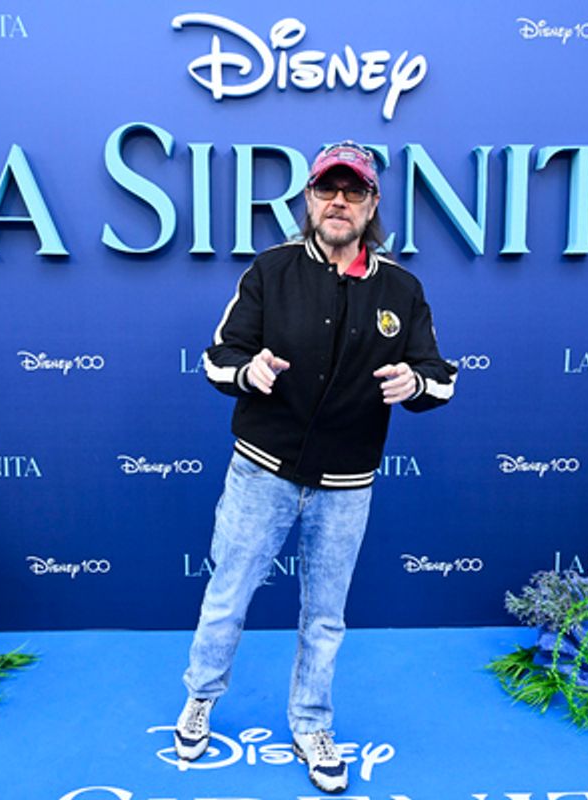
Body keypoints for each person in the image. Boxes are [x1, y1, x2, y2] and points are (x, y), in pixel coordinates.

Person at [174, 140, 456, 794]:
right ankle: (200, 700)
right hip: (262, 473)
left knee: (325, 616)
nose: (338, 201)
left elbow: (440, 379)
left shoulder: (402, 289)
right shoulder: (270, 271)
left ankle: (311, 723)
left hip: (346, 485)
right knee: (228, 596)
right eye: (327, 190)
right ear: (308, 200)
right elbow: (219, 359)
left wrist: (412, 383)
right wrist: (251, 372)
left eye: (352, 191)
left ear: (372, 204)